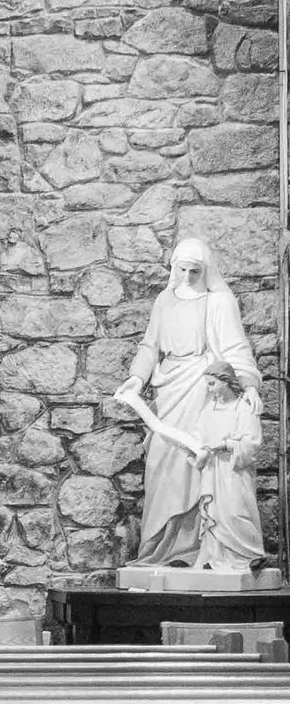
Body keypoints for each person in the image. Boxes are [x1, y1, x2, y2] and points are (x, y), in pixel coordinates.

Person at [115, 234, 266, 574]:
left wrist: (250, 386)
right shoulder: (164, 301)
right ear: (173, 268)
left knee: (202, 464)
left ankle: (200, 548)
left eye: (195, 272)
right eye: (181, 270)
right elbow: (149, 346)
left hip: (203, 388)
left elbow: (235, 348)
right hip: (169, 389)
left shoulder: (219, 301)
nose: (187, 278)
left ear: (206, 270)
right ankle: (159, 549)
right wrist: (137, 379)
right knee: (162, 462)